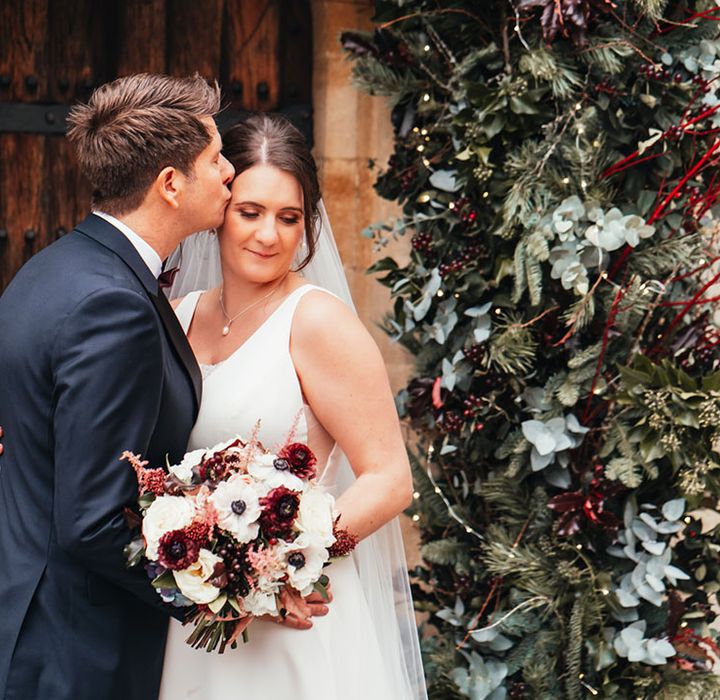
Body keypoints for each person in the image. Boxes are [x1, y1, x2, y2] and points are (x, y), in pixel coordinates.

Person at [160, 113, 427, 699]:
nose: (269, 235)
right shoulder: (176, 317)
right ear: (218, 213)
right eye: (250, 212)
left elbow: (389, 479)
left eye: (289, 218)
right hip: (199, 620)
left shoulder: (318, 322)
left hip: (293, 618)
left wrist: (280, 568)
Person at [0, 73, 236, 700]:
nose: (229, 171)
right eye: (215, 159)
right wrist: (210, 595)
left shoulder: (50, 268)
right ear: (170, 183)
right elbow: (93, 519)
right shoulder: (114, 304)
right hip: (76, 652)